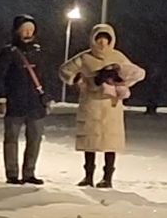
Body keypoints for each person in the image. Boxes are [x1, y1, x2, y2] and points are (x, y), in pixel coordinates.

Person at [59, 23, 146, 188]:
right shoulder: (85, 57)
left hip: (111, 106)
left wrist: (121, 79)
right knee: (90, 142)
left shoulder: (118, 57)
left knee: (110, 142)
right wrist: (81, 80)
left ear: (111, 40)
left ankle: (107, 177)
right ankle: (88, 176)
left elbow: (138, 73)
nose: (102, 43)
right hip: (91, 104)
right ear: (93, 40)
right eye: (99, 39)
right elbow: (64, 71)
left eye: (106, 40)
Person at [0, 14, 50, 184]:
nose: (28, 32)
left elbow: (45, 76)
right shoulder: (8, 52)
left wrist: (47, 97)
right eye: (25, 29)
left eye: (31, 29)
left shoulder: (38, 51)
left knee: (35, 139)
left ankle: (29, 173)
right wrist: (1, 99)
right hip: (14, 102)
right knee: (11, 139)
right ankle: (12, 173)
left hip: (35, 104)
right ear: (17, 31)